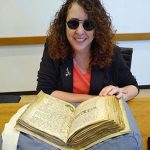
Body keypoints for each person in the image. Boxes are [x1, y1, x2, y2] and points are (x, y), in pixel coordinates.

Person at [1, 0, 142, 149]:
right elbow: (45, 90)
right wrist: (93, 99)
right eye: (73, 24)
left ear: (97, 28)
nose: (80, 31)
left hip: (95, 124)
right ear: (64, 25)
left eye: (88, 25)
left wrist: (122, 94)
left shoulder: (111, 52)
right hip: (59, 120)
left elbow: (133, 86)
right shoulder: (52, 47)